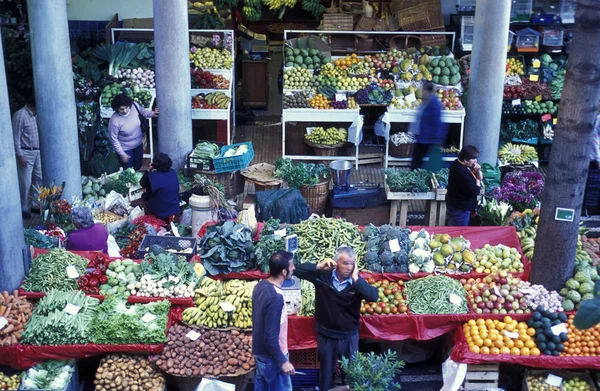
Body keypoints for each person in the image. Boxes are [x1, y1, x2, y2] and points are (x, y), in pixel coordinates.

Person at [294, 246, 378, 391]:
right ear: (336, 262)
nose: (349, 267)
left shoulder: (356, 283)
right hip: (326, 334)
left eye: (352, 264)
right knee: (326, 373)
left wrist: (357, 279)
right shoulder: (323, 276)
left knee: (351, 374)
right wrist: (318, 266)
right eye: (345, 263)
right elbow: (297, 270)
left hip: (349, 335)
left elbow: (373, 296)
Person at [252, 251, 296, 391]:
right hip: (273, 359)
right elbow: (270, 337)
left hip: (260, 355)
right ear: (284, 272)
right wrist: (283, 362)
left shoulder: (260, 285)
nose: (294, 268)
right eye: (292, 266)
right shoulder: (276, 298)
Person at [108, 93, 158, 170]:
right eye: (121, 109)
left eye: (126, 107)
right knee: (127, 170)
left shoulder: (134, 106)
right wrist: (122, 154)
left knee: (138, 166)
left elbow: (143, 112)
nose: (125, 111)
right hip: (125, 148)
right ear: (117, 108)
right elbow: (113, 139)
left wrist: (152, 113)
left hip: (138, 145)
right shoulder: (114, 121)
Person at [12, 94, 42, 219]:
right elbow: (15, 137)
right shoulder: (20, 115)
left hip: (38, 151)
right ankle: (23, 207)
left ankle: (36, 204)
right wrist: (20, 155)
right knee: (25, 182)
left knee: (39, 178)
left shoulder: (36, 114)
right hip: (26, 152)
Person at [411, 82, 446, 171]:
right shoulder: (425, 101)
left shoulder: (434, 104)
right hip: (421, 138)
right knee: (416, 161)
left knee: (417, 161)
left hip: (427, 139)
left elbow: (437, 123)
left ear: (428, 91)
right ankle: (416, 175)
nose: (423, 92)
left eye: (424, 90)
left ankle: (417, 177)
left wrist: (437, 140)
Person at [445, 145, 482, 226]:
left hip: (456, 205)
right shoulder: (461, 172)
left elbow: (480, 177)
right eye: (473, 159)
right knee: (459, 233)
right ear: (465, 159)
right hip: (460, 209)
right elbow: (475, 191)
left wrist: (478, 172)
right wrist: (478, 180)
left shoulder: (458, 163)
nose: (476, 161)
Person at [140, 152, 180, 221]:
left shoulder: (152, 176)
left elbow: (142, 183)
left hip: (160, 212)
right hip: (174, 208)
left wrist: (148, 170)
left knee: (145, 195)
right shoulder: (173, 172)